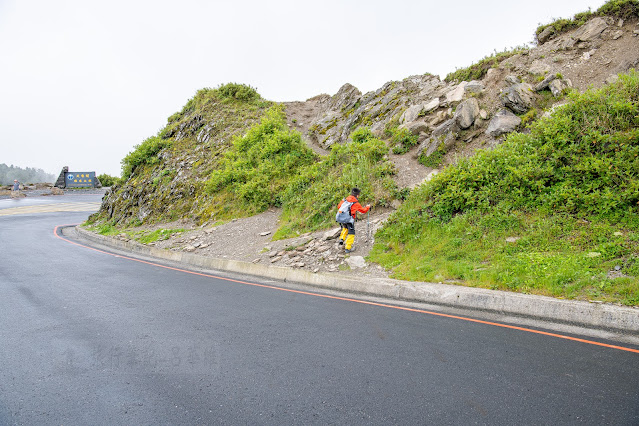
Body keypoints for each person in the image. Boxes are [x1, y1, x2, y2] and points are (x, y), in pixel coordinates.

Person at [336, 187, 370, 254]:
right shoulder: (355, 203)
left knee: (345, 228)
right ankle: (348, 248)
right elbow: (363, 211)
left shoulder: (345, 200)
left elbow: (339, 207)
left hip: (342, 218)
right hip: (349, 219)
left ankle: (341, 239)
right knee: (351, 233)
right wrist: (368, 207)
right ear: (357, 195)